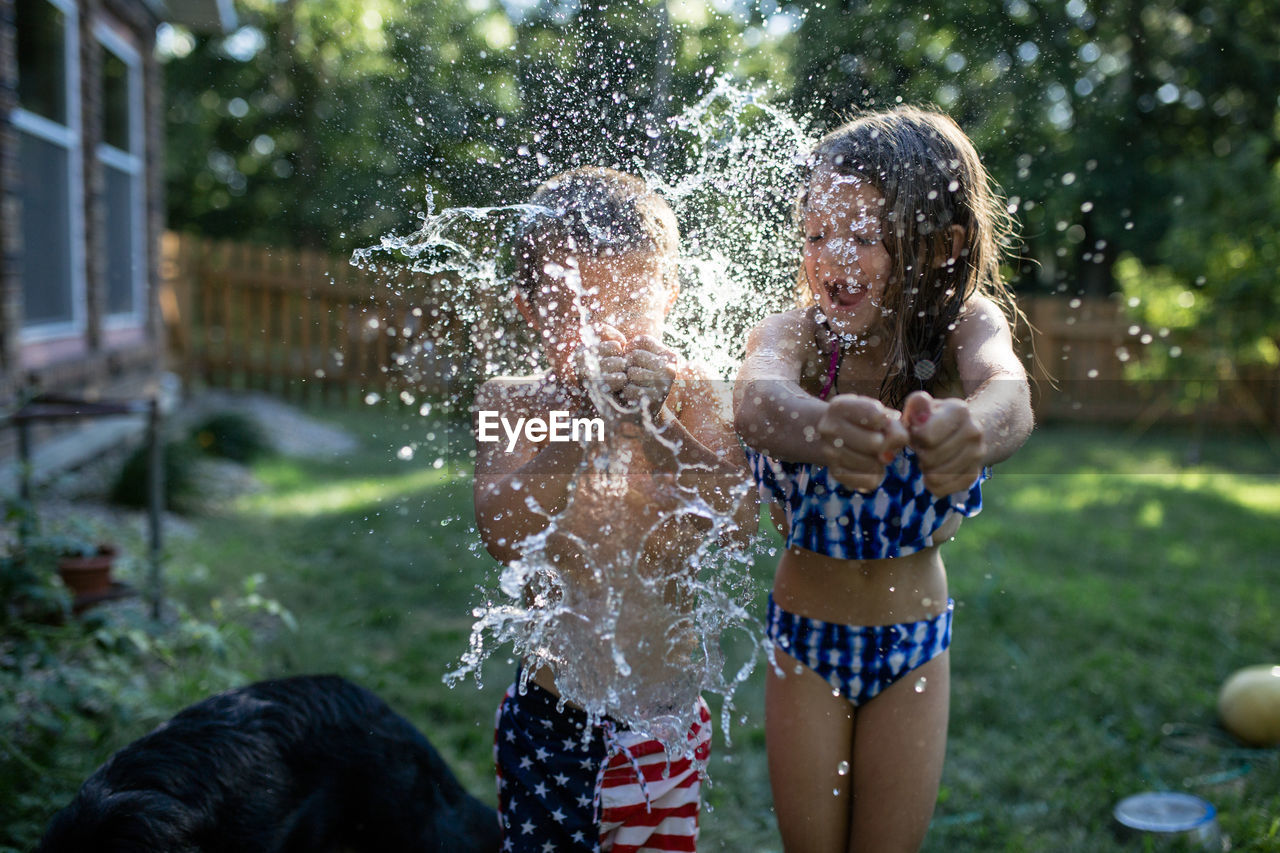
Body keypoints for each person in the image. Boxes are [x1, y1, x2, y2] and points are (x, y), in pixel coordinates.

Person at [733, 107, 1034, 852]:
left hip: (915, 646)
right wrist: (818, 426)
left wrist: (974, 428)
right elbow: (756, 399)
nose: (834, 258)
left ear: (941, 244)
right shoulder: (796, 335)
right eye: (816, 236)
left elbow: (1011, 393)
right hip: (806, 642)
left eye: (864, 237)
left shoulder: (964, 326)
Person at [472, 167, 754, 853]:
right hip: (552, 719)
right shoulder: (511, 402)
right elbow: (505, 535)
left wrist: (656, 425)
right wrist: (575, 426)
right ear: (530, 309)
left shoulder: (696, 401)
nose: (606, 334)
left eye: (629, 307)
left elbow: (738, 523)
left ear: (671, 297)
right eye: (577, 310)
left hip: (662, 723)